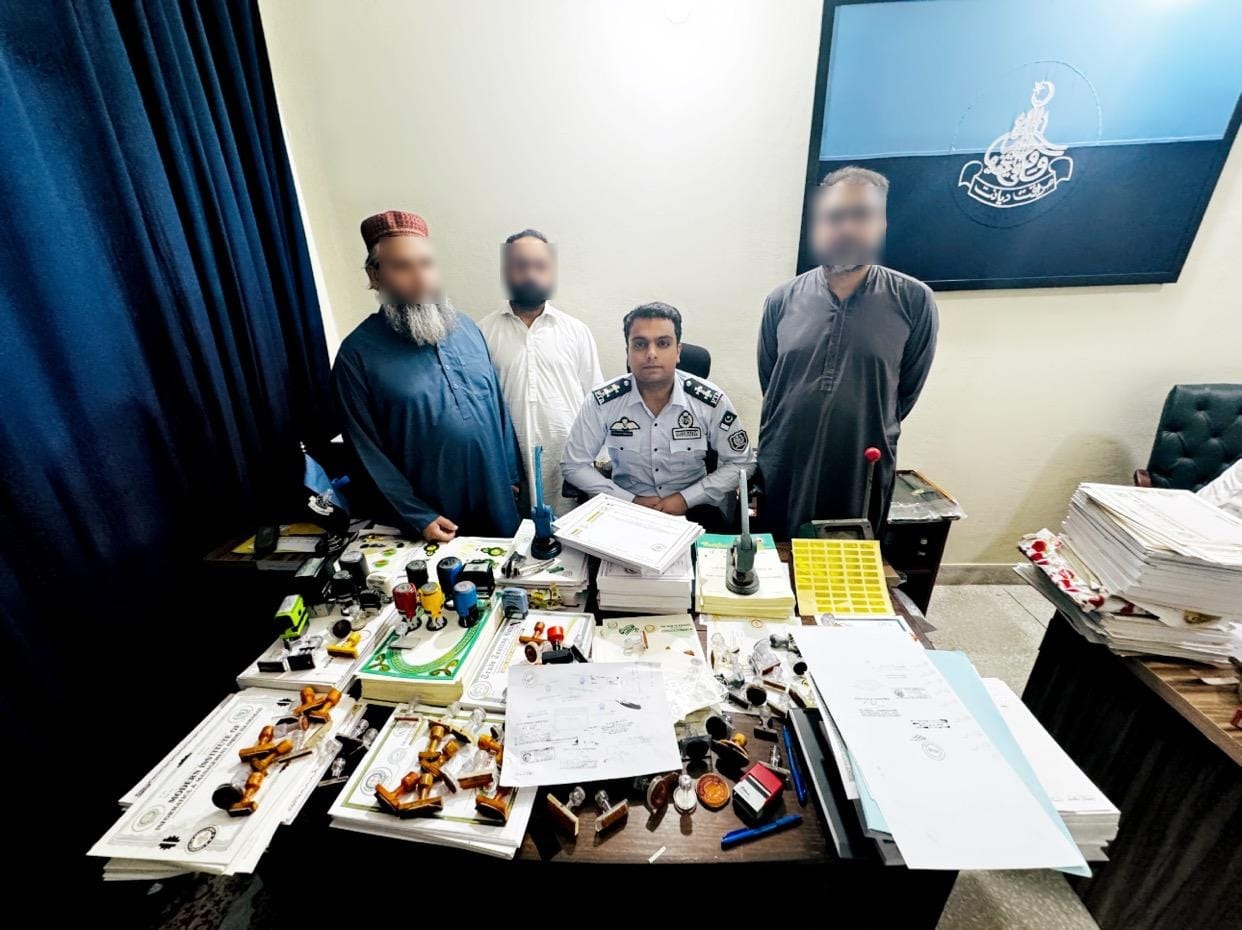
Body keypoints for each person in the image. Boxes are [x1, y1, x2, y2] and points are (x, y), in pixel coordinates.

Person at [758, 166, 938, 538]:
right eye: (835, 216)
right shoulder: (782, 300)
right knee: (780, 557)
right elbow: (772, 381)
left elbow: (905, 390)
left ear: (881, 224)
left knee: (848, 559)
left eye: (861, 215)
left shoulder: (914, 300)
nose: (847, 228)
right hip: (787, 460)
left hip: (861, 462)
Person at [332, 210, 520, 541]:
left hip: (496, 496)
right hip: (433, 517)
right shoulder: (357, 354)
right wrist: (417, 515)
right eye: (402, 267)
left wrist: (510, 474)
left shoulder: (466, 329)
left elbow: (498, 407)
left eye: (427, 263)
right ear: (375, 276)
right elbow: (365, 450)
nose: (421, 279)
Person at [561, 302, 755, 523]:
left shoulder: (710, 400)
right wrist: (628, 500)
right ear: (628, 353)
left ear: (678, 351)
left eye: (663, 343)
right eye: (640, 344)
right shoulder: (602, 401)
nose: (651, 354)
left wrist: (685, 499)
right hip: (624, 510)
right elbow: (573, 464)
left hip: (694, 510)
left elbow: (742, 463)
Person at [478, 229, 602, 516]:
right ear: (506, 271)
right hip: (508, 470)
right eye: (521, 265)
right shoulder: (482, 333)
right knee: (514, 537)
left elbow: (596, 402)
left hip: (566, 467)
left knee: (568, 535)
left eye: (540, 266)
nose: (530, 274)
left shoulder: (576, 331)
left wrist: (597, 467)